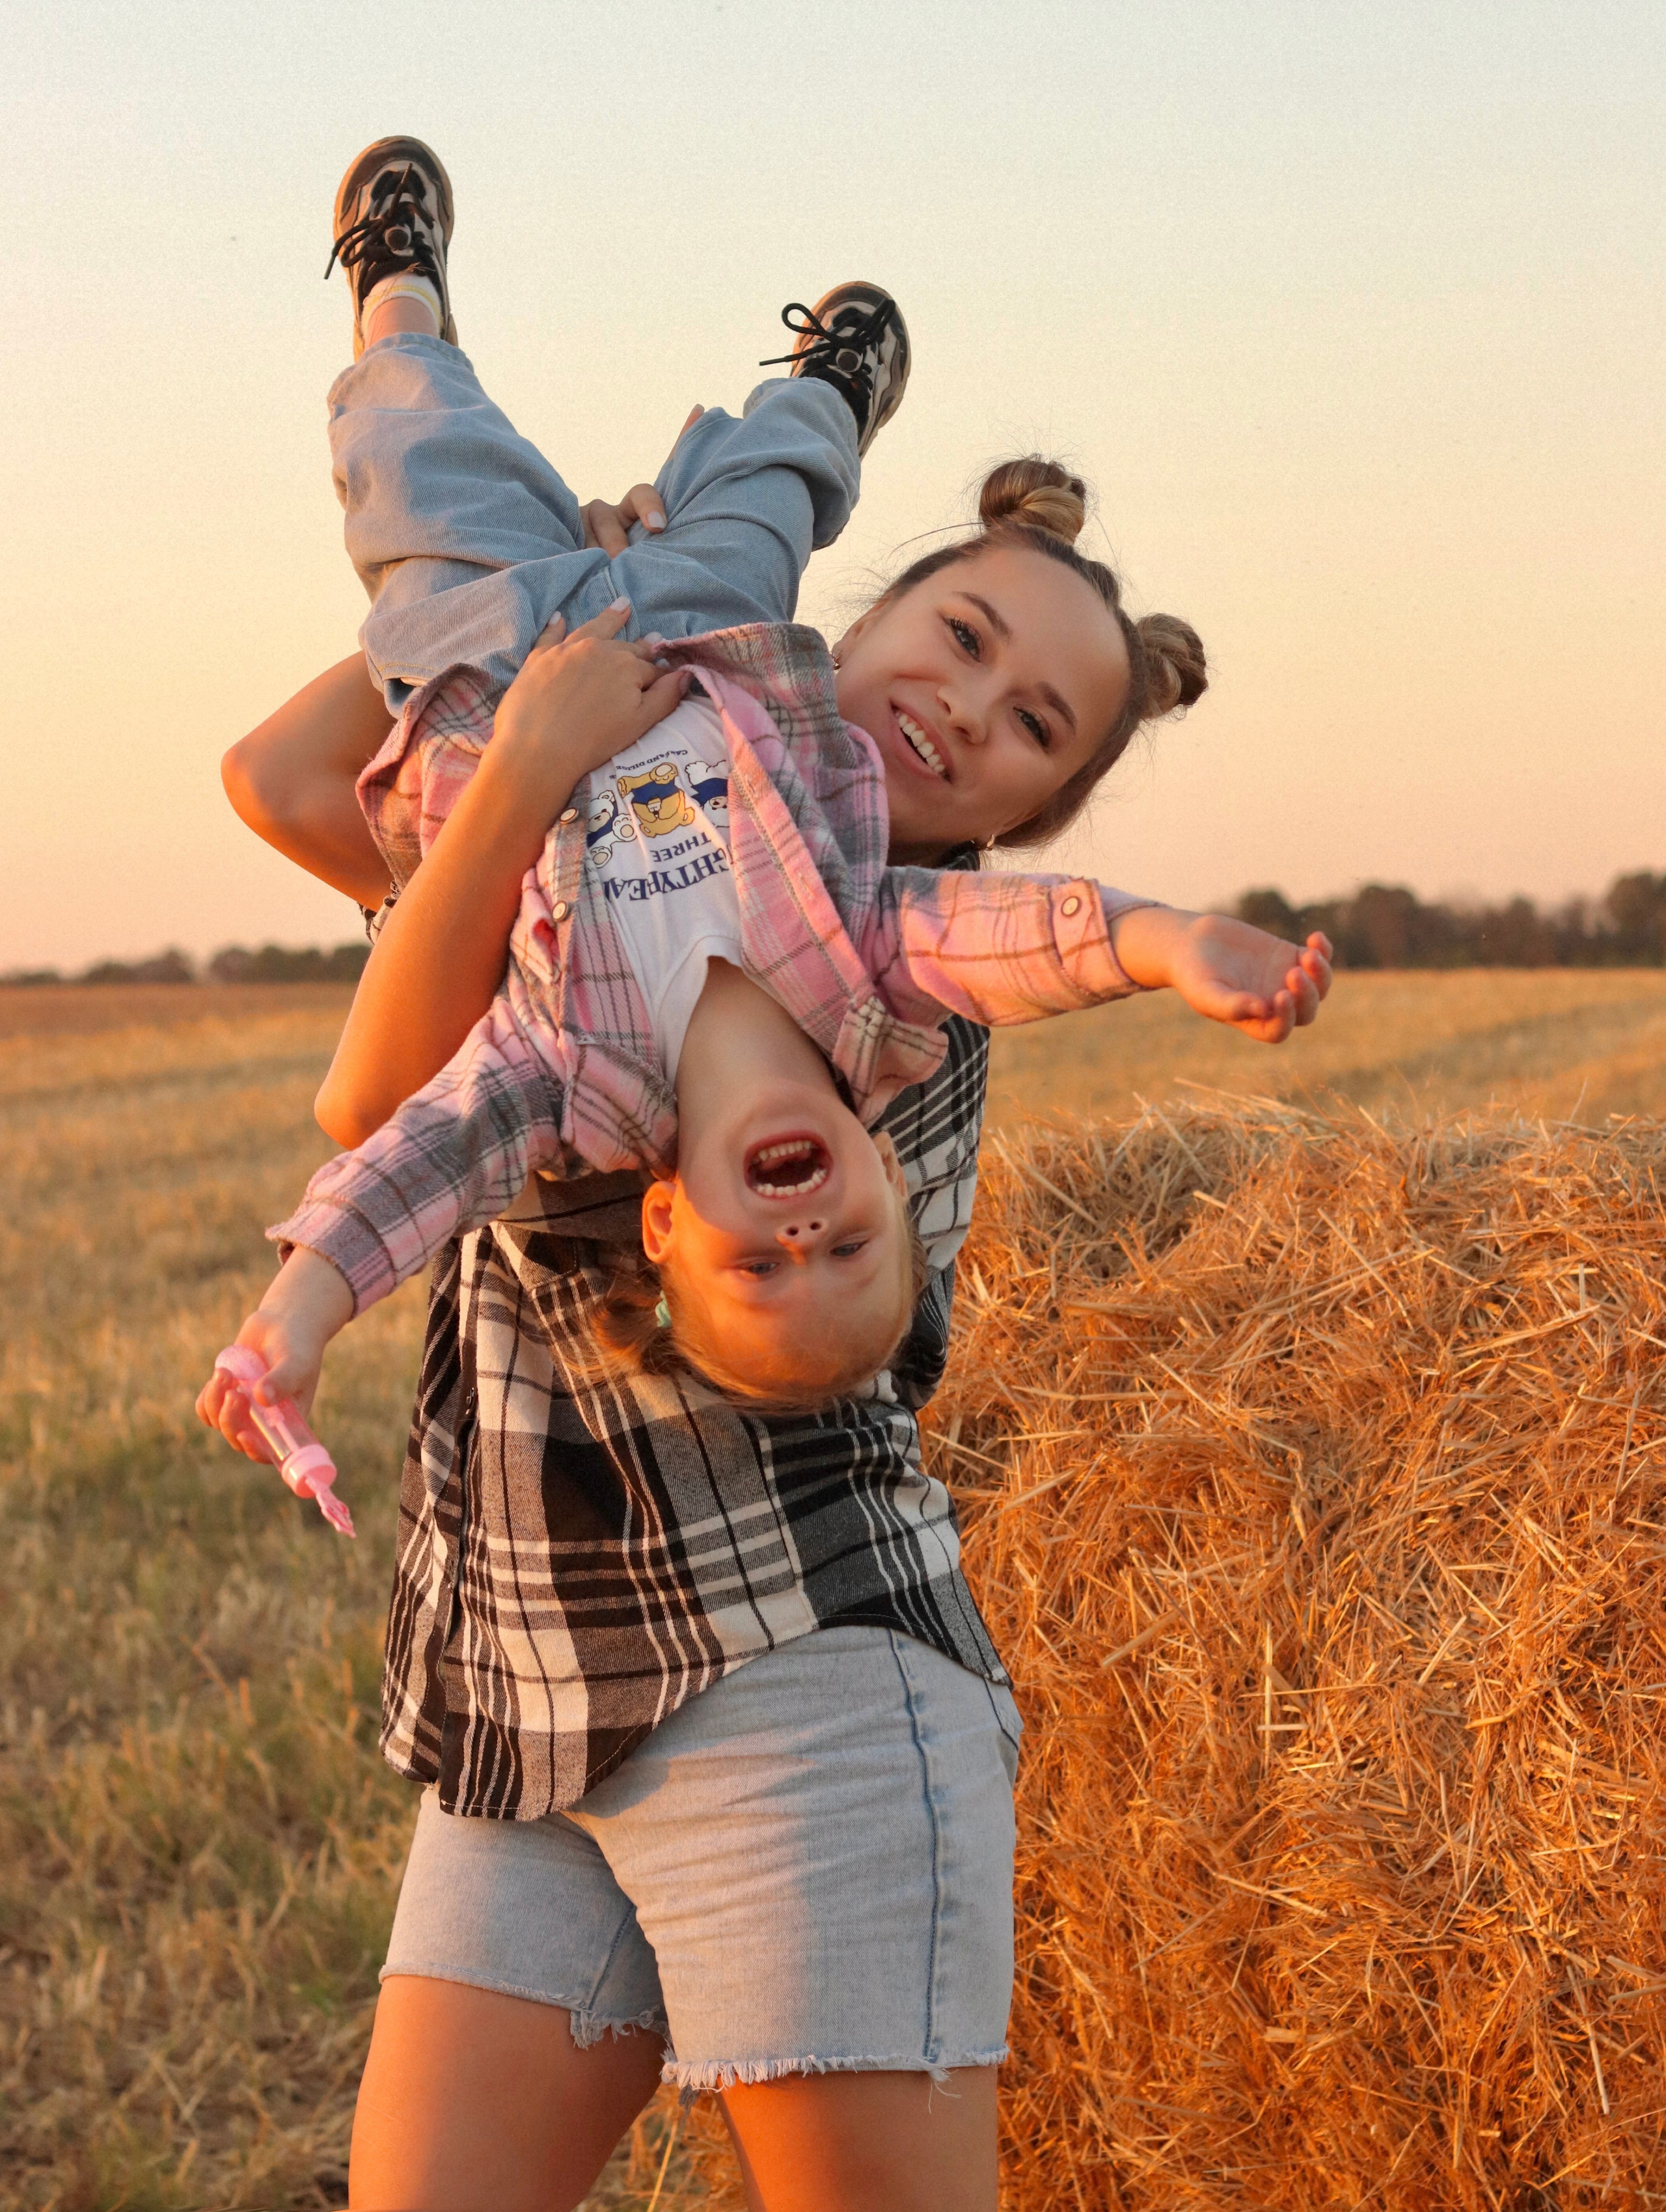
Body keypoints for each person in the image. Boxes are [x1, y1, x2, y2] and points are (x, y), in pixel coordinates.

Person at [206, 141, 1332, 2212]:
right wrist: (606, 614)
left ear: (1030, 807)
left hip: (788, 1662)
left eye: (1028, 728)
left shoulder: (885, 970)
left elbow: (405, 1098)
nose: (966, 709)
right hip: (523, 1686)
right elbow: (283, 784)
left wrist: (538, 749)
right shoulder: (622, 814)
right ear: (871, 603)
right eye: (964, 637)